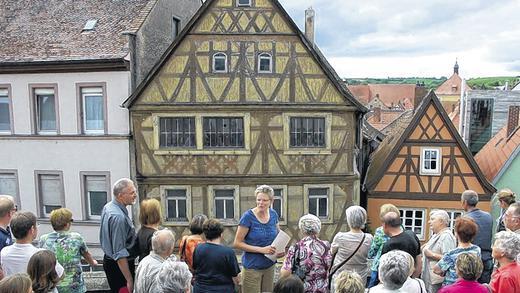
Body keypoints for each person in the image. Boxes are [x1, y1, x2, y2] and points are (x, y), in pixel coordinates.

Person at [234, 185, 283, 293]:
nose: (261, 203)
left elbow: (278, 236)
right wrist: (261, 250)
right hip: (252, 267)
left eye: (264, 200)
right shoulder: (247, 217)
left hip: (269, 266)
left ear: (271, 201)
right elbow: (237, 243)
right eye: (258, 200)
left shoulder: (274, 214)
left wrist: (280, 250)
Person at [39, 208, 98, 293]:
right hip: (75, 287)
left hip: (54, 286)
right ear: (67, 224)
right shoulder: (76, 238)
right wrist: (93, 263)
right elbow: (86, 255)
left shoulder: (44, 239)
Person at [99, 178, 138, 293]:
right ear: (120, 196)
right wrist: (129, 279)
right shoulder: (118, 218)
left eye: (135, 191)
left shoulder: (109, 206)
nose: (135, 195)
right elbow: (119, 252)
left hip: (111, 262)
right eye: (132, 193)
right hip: (120, 268)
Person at [0, 211, 64, 277]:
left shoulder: (4, 252)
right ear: (32, 229)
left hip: (11, 287)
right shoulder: (42, 255)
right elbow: (60, 275)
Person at [280, 214, 331, 293]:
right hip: (323, 289)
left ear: (302, 229)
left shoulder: (296, 248)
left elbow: (285, 273)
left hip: (302, 289)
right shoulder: (327, 246)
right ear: (318, 229)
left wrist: (285, 261)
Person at [330, 205, 373, 291]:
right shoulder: (369, 238)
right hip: (360, 277)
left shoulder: (340, 237)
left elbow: (332, 252)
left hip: (341, 277)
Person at [193, 218, 240, 293]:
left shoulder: (198, 248)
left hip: (200, 289)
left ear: (205, 234)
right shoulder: (228, 252)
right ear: (221, 234)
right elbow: (235, 277)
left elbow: (195, 268)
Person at [434, 216, 481, 286]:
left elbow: (436, 270)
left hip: (452, 287)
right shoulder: (477, 250)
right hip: (470, 286)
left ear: (456, 233)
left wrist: (445, 272)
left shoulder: (452, 254)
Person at [461, 190, 493, 283]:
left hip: (471, 260)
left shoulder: (465, 219)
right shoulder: (488, 216)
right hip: (487, 258)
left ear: (464, 202)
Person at [421, 210, 456, 293]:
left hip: (437, 281)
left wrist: (432, 255)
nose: (429, 222)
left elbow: (450, 259)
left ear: (441, 222)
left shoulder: (446, 236)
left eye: (433, 219)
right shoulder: (436, 235)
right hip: (430, 279)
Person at [367, 203, 401, 287]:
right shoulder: (401, 229)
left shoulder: (380, 231)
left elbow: (373, 249)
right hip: (397, 265)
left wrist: (369, 255)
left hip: (379, 265)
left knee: (373, 288)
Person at [380, 211, 422, 277]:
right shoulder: (411, 234)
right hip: (412, 279)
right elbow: (419, 261)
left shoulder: (389, 245)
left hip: (396, 282)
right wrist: (414, 279)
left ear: (385, 225)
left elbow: (384, 270)